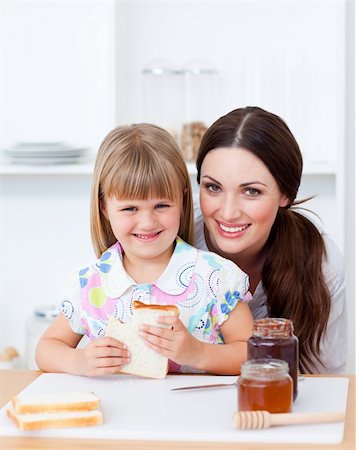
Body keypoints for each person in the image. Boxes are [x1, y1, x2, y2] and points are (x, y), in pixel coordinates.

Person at [36, 123, 253, 377]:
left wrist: (198, 352)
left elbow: (253, 353)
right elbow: (46, 349)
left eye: (161, 205)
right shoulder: (90, 284)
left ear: (182, 201)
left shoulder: (217, 277)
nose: (148, 222)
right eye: (130, 209)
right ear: (104, 207)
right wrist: (79, 361)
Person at [194, 106, 346, 374]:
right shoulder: (175, 239)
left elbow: (326, 380)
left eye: (251, 191)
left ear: (285, 194)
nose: (228, 212)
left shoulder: (321, 263)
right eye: (213, 187)